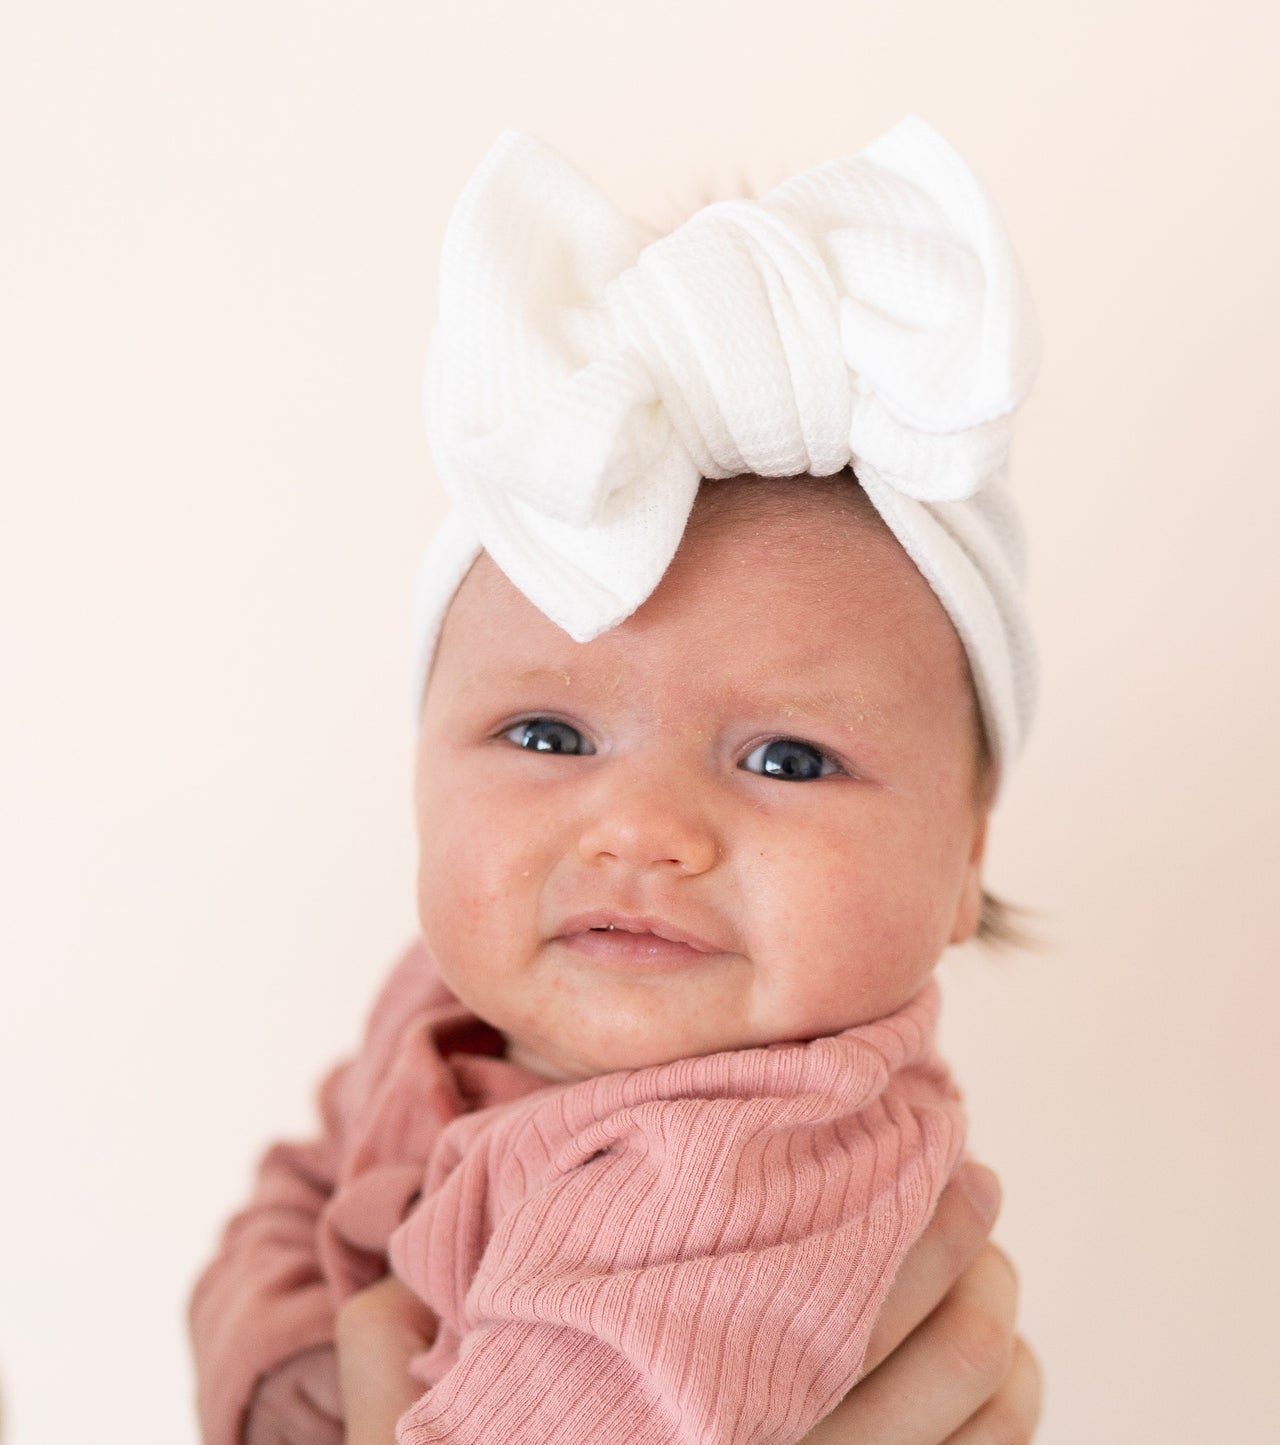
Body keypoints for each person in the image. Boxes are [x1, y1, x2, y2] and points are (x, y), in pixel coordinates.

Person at [190, 114, 1046, 1444]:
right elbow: (300, 1191)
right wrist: (285, 1355)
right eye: (545, 736)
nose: (642, 829)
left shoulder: (767, 1164)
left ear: (964, 865)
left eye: (787, 758)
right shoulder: (447, 1005)